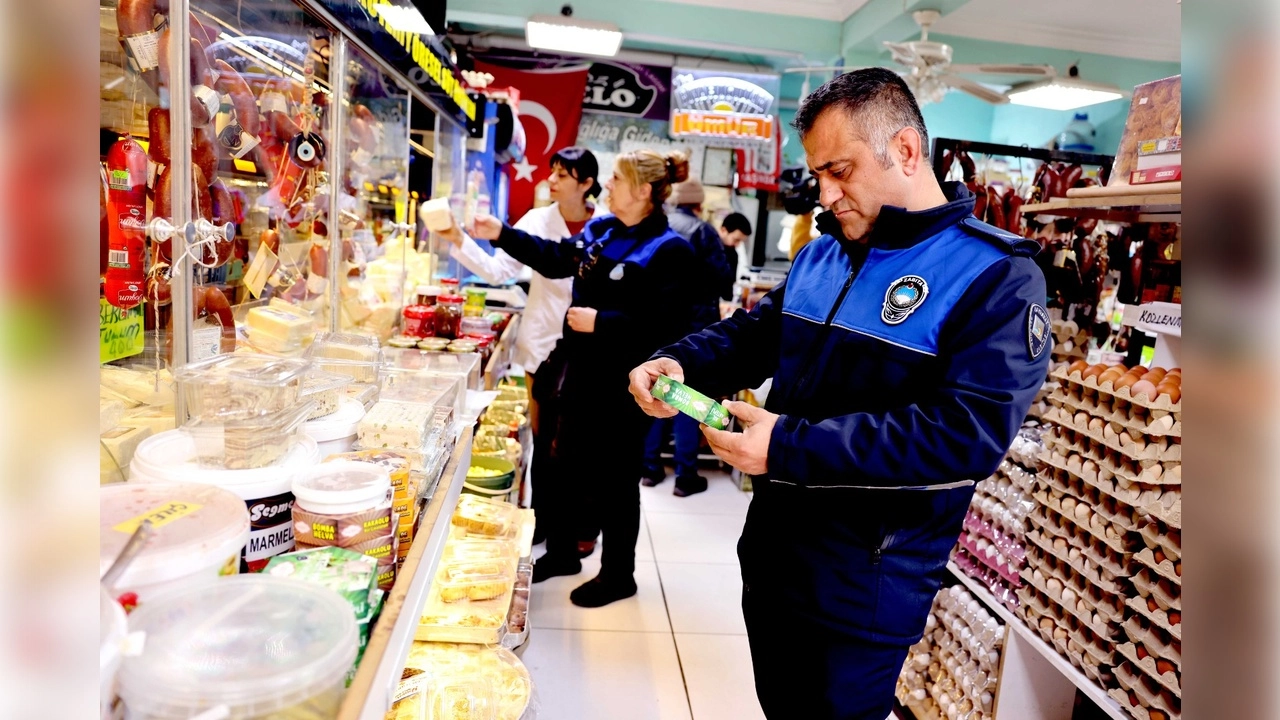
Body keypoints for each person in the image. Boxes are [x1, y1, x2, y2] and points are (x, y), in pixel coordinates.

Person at [628, 68, 1050, 719]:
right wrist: (678, 362)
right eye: (817, 174)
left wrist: (788, 447)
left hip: (865, 584)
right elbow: (750, 337)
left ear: (906, 151)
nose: (825, 194)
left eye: (841, 170)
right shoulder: (823, 256)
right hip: (774, 559)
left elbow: (966, 435)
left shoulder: (994, 275)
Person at [468, 149, 697, 607]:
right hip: (575, 373)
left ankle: (618, 575)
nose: (606, 186)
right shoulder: (602, 230)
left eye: (616, 179)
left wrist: (603, 321)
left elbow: (669, 327)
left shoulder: (670, 250)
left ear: (644, 191)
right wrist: (502, 235)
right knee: (560, 465)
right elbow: (556, 259)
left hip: (624, 385)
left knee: (615, 481)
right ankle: (562, 552)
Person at [438, 147, 605, 555]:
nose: (552, 179)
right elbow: (499, 270)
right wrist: (459, 240)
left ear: (586, 184)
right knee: (546, 439)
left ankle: (583, 526)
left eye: (563, 174)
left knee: (583, 443)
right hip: (544, 344)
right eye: (552, 171)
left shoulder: (605, 225)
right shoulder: (537, 220)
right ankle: (542, 522)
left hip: (592, 349)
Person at [639, 177, 734, 496]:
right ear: (698, 202)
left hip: (658, 324)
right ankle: (685, 475)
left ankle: (650, 468)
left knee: (658, 392)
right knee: (686, 399)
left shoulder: (660, 225)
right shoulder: (703, 230)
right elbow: (721, 278)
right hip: (694, 326)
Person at [718, 211, 753, 286]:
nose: (737, 245)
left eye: (741, 241)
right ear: (723, 230)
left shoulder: (733, 254)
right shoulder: (707, 249)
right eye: (736, 240)